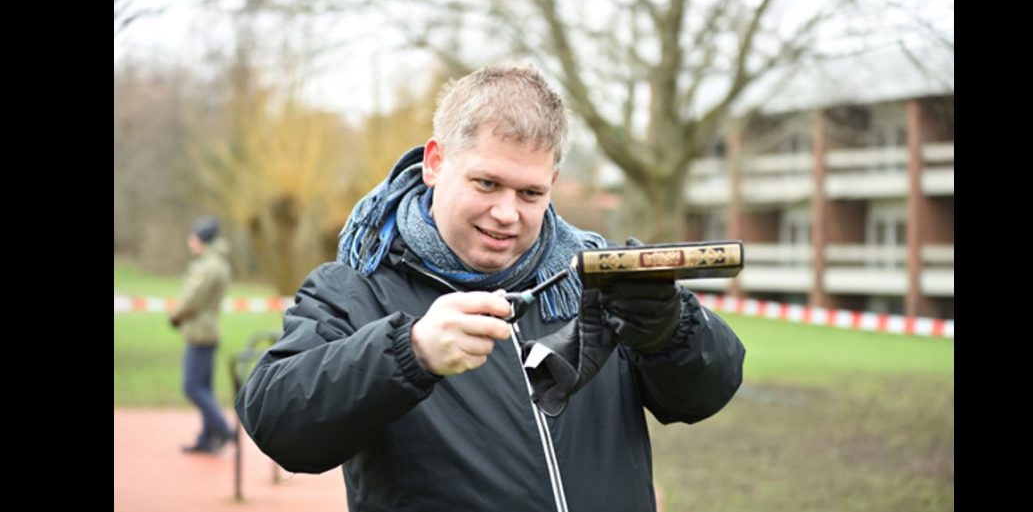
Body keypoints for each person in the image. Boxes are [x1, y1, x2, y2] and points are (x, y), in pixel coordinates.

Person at [235, 65, 745, 511]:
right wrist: (409, 352)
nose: (506, 213)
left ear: (553, 183)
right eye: (487, 184)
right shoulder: (357, 287)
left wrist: (669, 330)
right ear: (435, 162)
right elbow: (278, 424)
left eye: (530, 193)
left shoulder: (600, 275)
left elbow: (705, 395)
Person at [170, 216, 236, 454]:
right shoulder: (215, 263)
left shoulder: (209, 267)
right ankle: (208, 437)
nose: (190, 241)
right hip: (206, 329)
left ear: (203, 240)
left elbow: (192, 299)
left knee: (192, 387)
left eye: (194, 237)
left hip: (200, 331)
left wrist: (175, 316)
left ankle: (224, 430)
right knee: (204, 387)